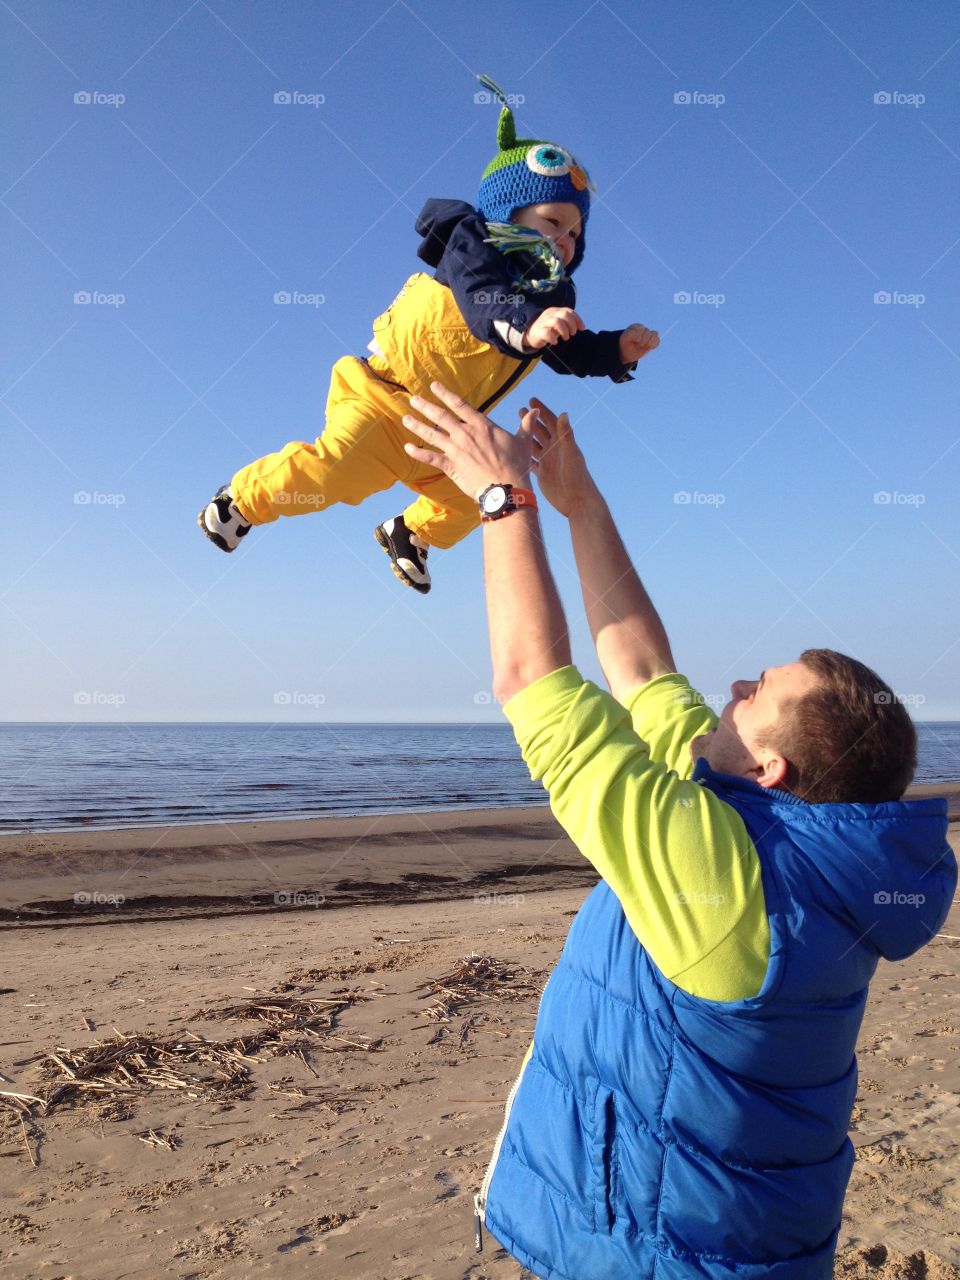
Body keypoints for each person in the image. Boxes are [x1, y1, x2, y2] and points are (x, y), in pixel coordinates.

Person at [399, 381, 957, 1279]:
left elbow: (532, 681)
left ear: (773, 767)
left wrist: (504, 500)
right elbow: (644, 666)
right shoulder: (795, 840)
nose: (734, 685)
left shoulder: (731, 881)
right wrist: (583, 505)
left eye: (758, 690)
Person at [197, 76, 659, 594]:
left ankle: (408, 533)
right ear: (507, 212)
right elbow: (484, 298)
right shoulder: (473, 243)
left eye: (575, 233)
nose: (565, 239)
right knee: (332, 474)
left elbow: (572, 350)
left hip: (442, 431)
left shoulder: (549, 300)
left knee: (480, 497)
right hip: (381, 402)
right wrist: (529, 326)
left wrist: (617, 350)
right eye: (554, 220)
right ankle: (242, 500)